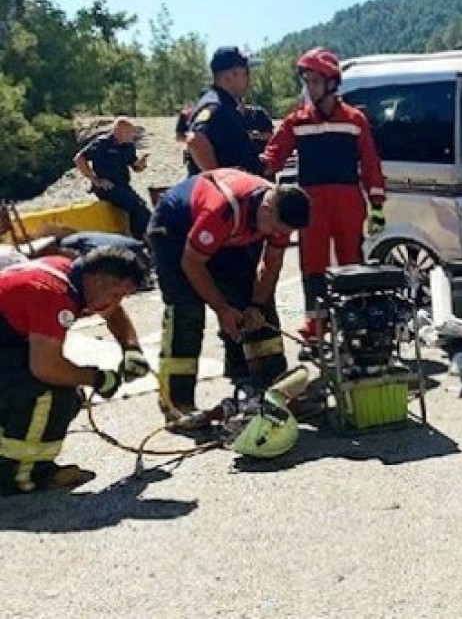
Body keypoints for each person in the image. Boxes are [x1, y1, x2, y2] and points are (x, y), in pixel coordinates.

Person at [146, 169, 310, 423]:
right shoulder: (222, 209)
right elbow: (192, 263)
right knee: (186, 311)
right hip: (176, 232)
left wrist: (256, 305)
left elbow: (272, 261)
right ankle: (177, 404)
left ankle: (270, 386)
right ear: (266, 210)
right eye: (276, 228)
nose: (278, 234)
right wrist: (221, 308)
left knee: (255, 304)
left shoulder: (277, 215)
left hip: (231, 236)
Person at [0, 246, 150, 495]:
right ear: (98, 280)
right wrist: (98, 378)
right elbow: (46, 367)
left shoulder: (71, 273)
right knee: (50, 395)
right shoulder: (53, 295)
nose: (116, 301)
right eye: (115, 292)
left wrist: (131, 348)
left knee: (65, 391)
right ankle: (20, 475)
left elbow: (111, 311)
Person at [262, 48, 386, 336]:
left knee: (351, 261)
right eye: (307, 81)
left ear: (331, 83)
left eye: (315, 81)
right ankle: (316, 321)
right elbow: (275, 153)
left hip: (347, 200)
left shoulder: (355, 120)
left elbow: (370, 162)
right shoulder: (298, 120)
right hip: (311, 202)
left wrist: (377, 204)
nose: (310, 87)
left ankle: (355, 319)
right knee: (312, 261)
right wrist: (261, 166)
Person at [72, 117, 152, 240]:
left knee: (144, 209)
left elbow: (135, 167)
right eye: (128, 132)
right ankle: (139, 242)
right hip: (106, 187)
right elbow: (79, 159)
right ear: (118, 132)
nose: (131, 135)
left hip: (123, 185)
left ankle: (144, 240)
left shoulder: (129, 146)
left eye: (132, 132)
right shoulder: (102, 143)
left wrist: (141, 164)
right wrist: (95, 180)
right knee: (137, 208)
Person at [187, 46, 259, 177]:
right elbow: (195, 139)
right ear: (229, 77)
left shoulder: (226, 105)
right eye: (246, 72)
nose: (249, 79)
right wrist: (219, 180)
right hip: (223, 193)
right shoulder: (215, 105)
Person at [241, 101, 274, 176]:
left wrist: (256, 135)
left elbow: (271, 136)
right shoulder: (232, 118)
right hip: (244, 164)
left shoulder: (259, 114)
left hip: (262, 161)